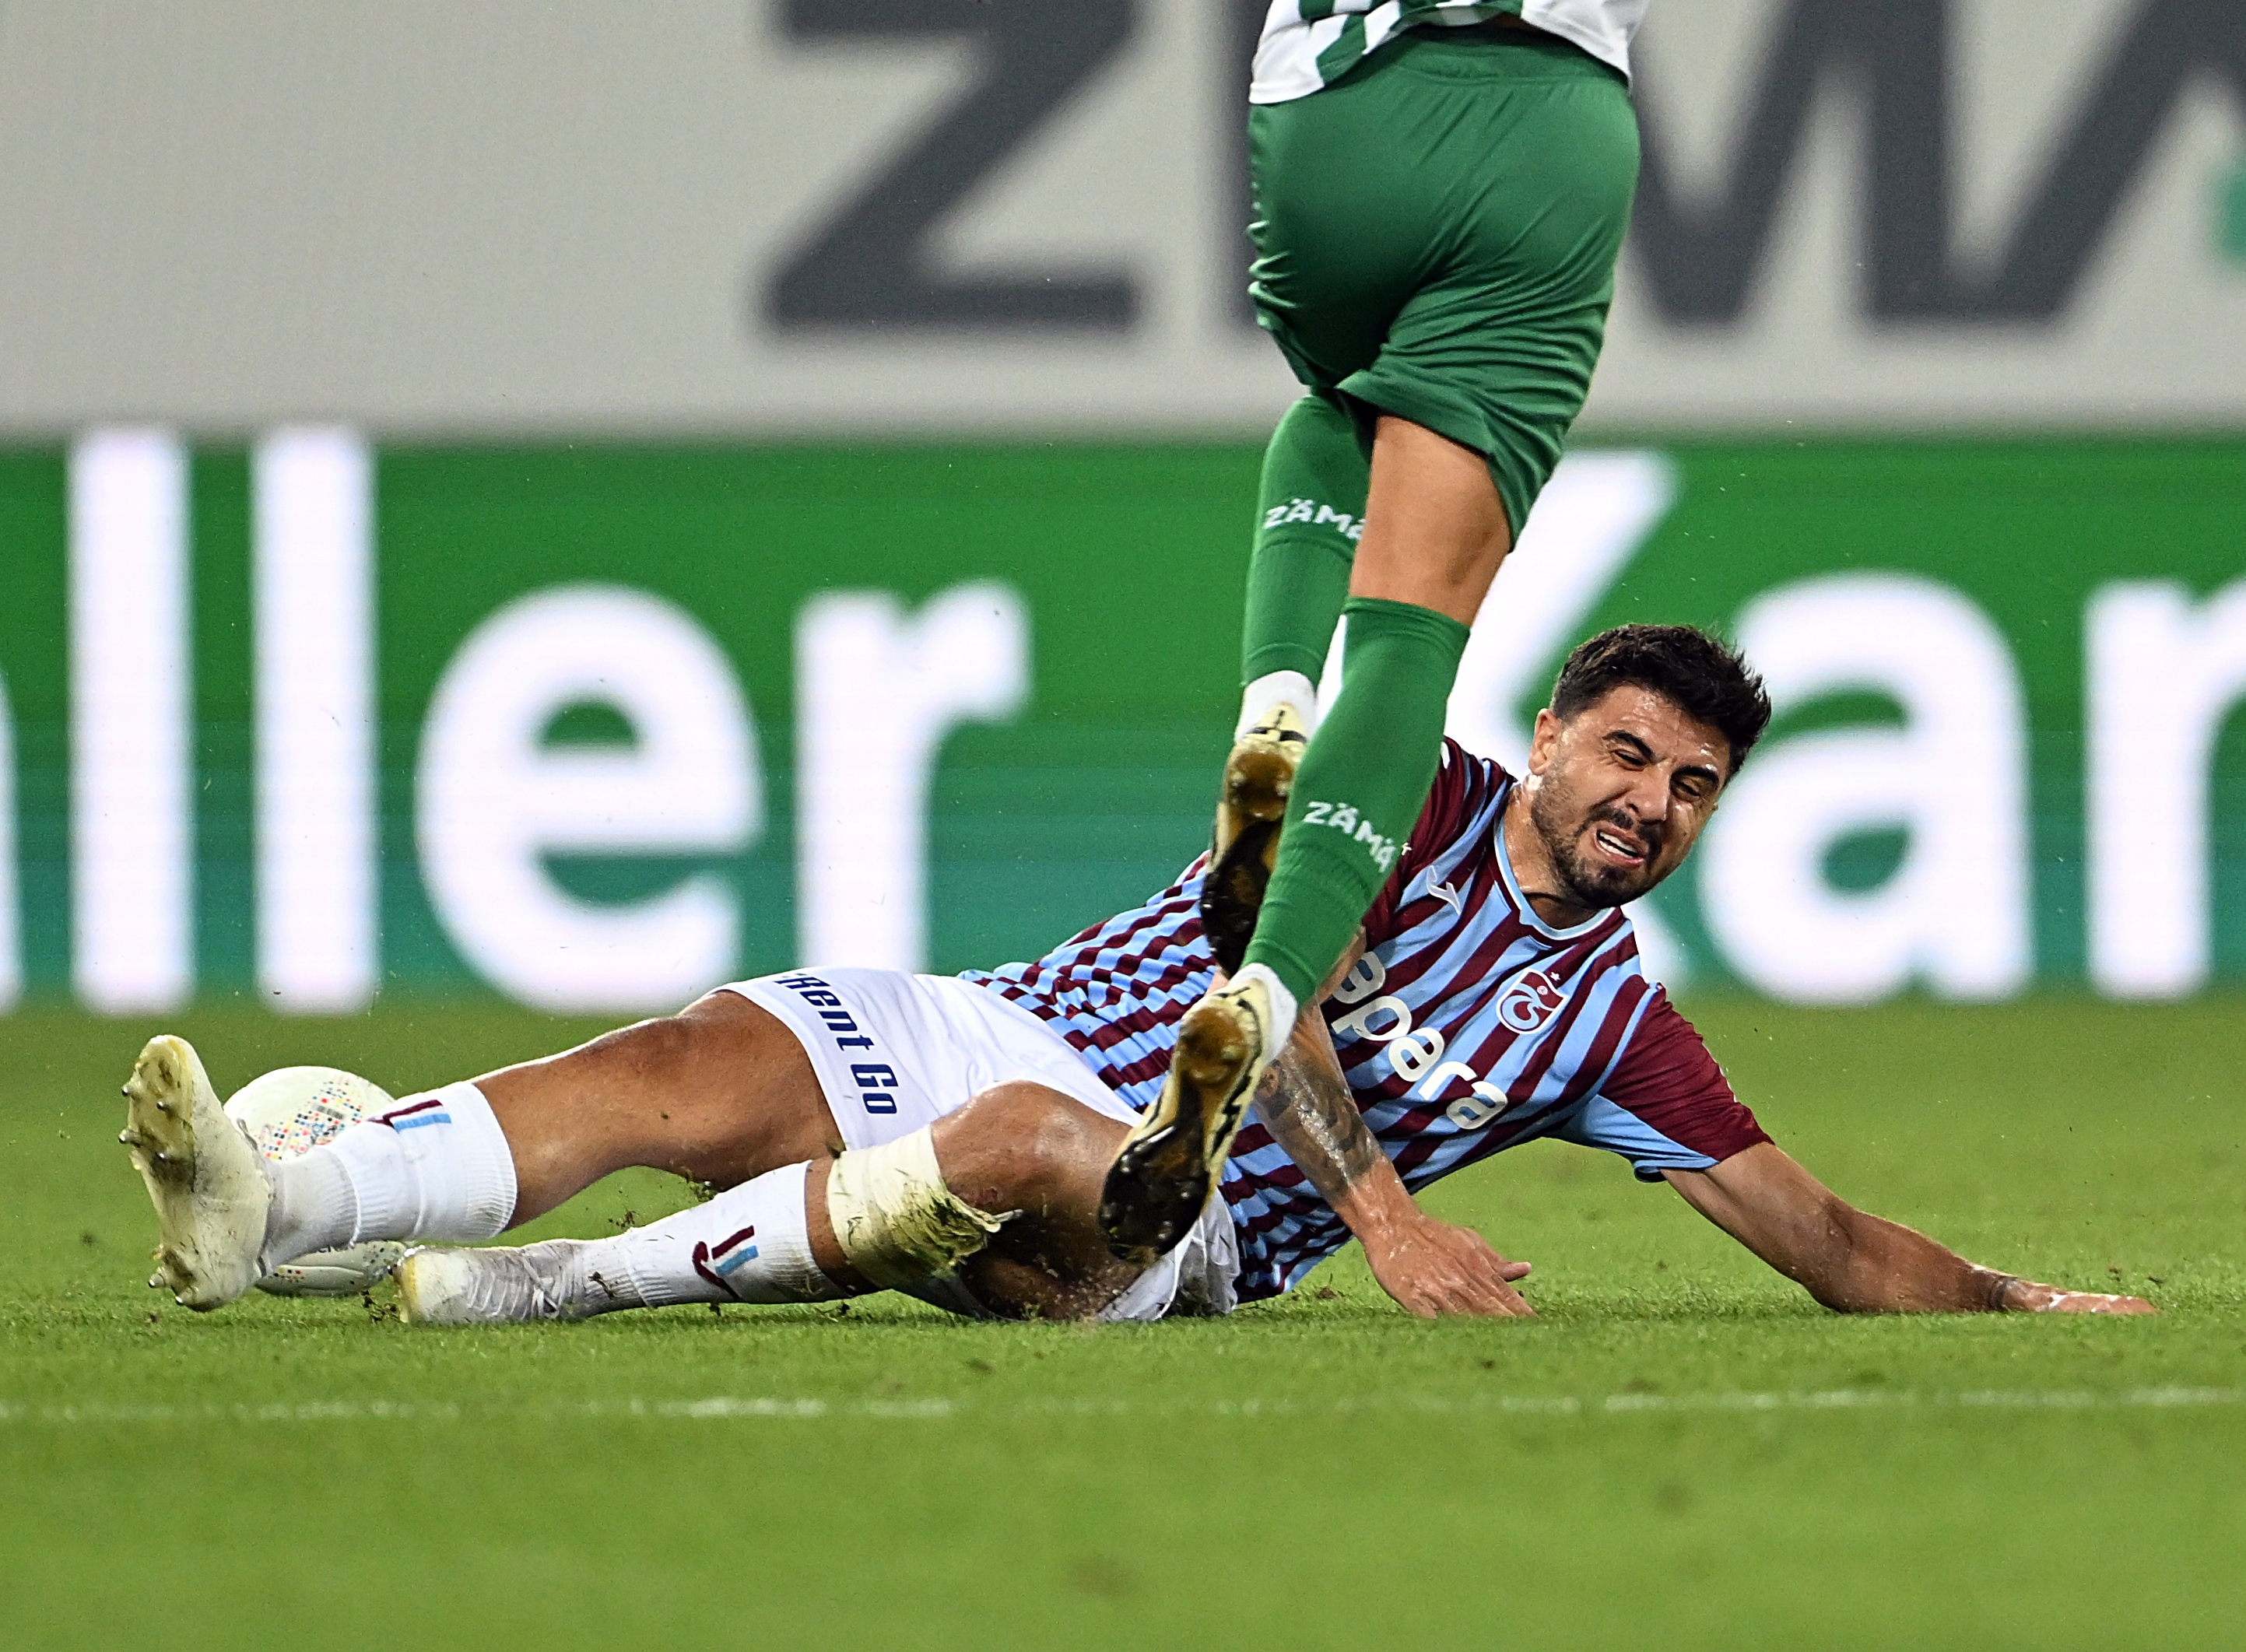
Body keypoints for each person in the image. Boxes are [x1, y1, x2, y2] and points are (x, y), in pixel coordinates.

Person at [120, 627, 2153, 1325]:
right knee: (689, 1055)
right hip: (997, 1017)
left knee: (1017, 1143)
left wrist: (2003, 1298)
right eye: (1624, 752)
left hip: (1163, 1220)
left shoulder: (1610, 1025)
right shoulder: (1394, 783)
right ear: (1547, 733)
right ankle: (266, 1206)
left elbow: (1818, 1240)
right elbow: (1268, 964)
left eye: (1689, 787)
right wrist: (1387, 1210)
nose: (1645, 801)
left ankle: (529, 1287)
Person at [1101, 2, 1655, 1259]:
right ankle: (1267, 989)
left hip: (1327, 127)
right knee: (1413, 639)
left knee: (1337, 397)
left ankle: (1275, 696)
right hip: (1542, 117)